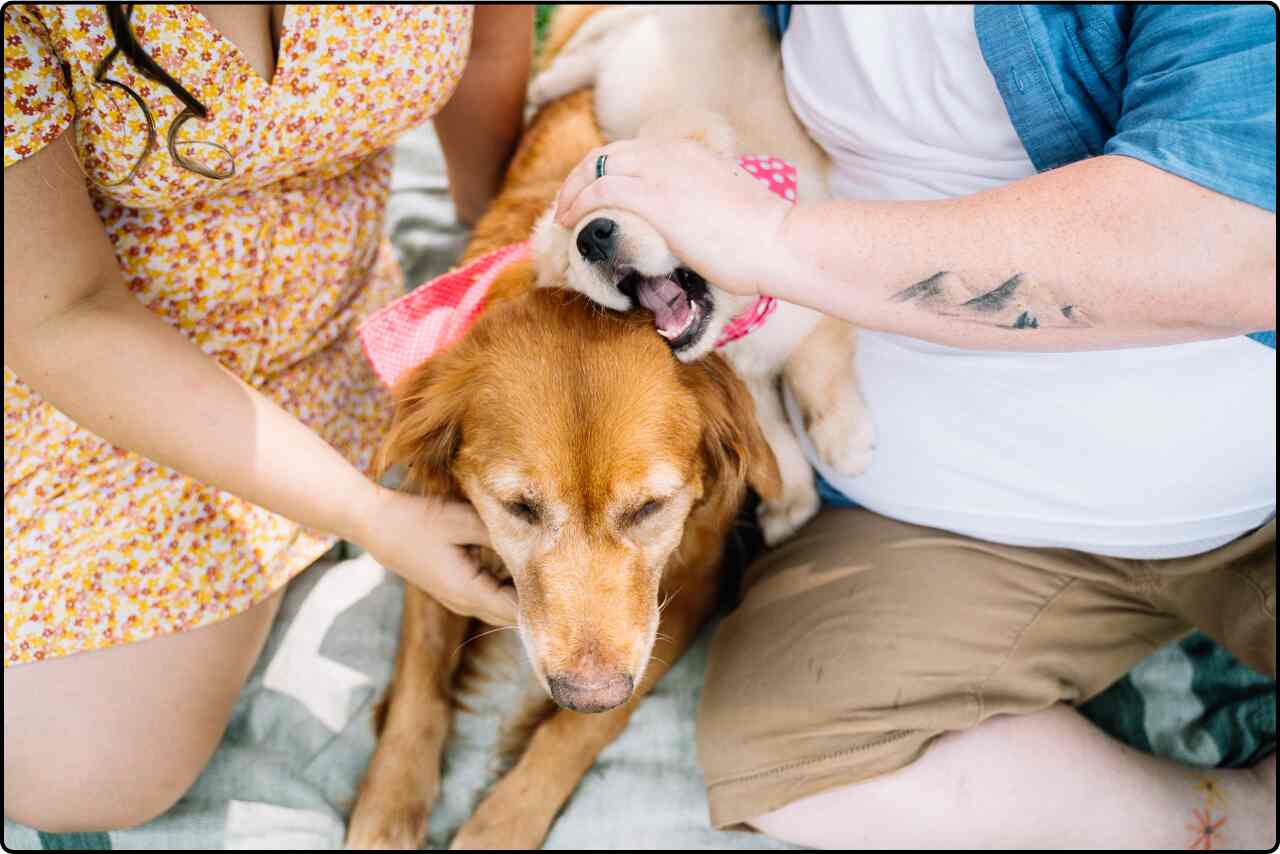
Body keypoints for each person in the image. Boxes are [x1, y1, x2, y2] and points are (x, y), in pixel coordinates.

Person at [556, 4, 1277, 848]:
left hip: (1247, 493)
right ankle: (1231, 819)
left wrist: (776, 238)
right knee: (783, 748)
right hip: (929, 510)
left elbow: (1229, 239)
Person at [3, 4, 527, 831]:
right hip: (114, 362)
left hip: (348, 311)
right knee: (73, 771)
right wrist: (373, 516)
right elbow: (60, 315)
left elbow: (491, 31)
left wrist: (493, 228)